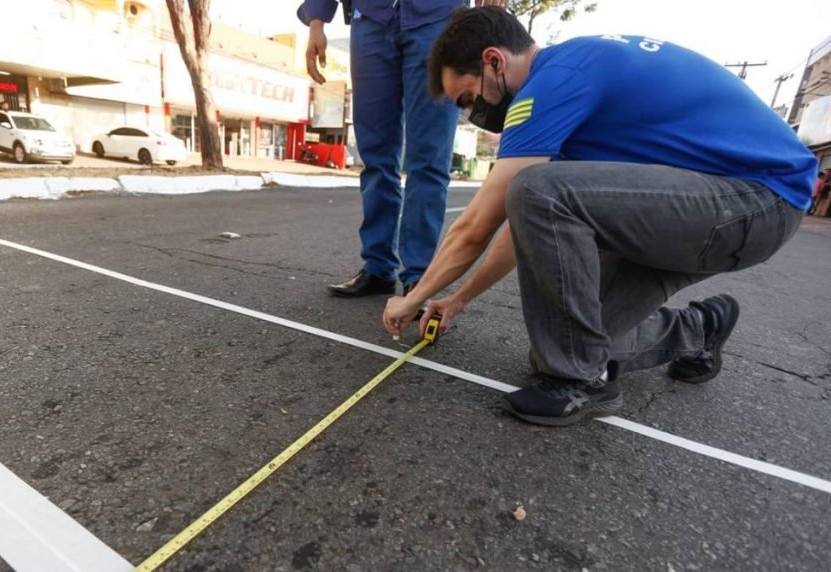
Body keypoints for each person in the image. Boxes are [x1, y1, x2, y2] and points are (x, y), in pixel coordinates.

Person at [383, 7, 817, 426]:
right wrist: (458, 299)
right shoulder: (571, 87)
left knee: (538, 200)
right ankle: (698, 330)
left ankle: (583, 382)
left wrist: (413, 296)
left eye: (470, 98)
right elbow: (523, 225)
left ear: (493, 60)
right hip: (716, 207)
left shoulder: (553, 82)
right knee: (571, 341)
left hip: (757, 200)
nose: (474, 114)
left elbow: (478, 226)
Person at [298, 0, 507, 298]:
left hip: (438, 18)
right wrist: (317, 20)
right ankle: (378, 266)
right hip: (370, 16)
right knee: (375, 155)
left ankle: (418, 277)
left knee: (430, 157)